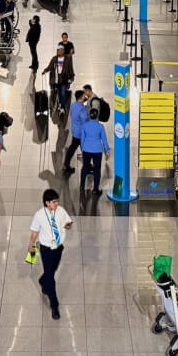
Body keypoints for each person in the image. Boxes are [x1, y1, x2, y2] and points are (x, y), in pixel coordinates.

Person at [28, 188, 73, 320]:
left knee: (51, 272)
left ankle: (42, 281)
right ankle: (54, 306)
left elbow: (67, 222)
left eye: (57, 201)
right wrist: (31, 245)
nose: (56, 204)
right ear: (47, 203)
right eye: (54, 202)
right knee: (51, 278)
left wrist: (68, 225)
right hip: (46, 249)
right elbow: (35, 232)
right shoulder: (39, 215)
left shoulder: (61, 211)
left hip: (58, 248)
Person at [78, 106, 109, 195]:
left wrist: (83, 148)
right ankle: (95, 189)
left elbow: (82, 139)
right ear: (97, 116)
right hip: (97, 150)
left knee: (85, 167)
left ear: (89, 115)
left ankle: (81, 186)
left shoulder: (84, 126)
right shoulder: (101, 127)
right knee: (97, 169)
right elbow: (104, 139)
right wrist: (107, 150)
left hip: (86, 150)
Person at [63, 89, 87, 175]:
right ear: (81, 97)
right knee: (85, 149)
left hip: (75, 131)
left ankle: (66, 164)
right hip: (81, 133)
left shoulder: (73, 105)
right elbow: (85, 121)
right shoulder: (81, 109)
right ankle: (88, 167)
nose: (85, 97)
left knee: (72, 148)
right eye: (84, 96)